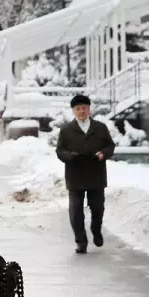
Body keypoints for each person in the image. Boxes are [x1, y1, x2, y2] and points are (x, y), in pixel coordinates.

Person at [56, 93, 115, 254]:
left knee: (97, 208)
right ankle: (81, 241)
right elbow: (60, 150)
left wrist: (104, 153)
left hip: (96, 174)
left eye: (84, 108)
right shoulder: (67, 130)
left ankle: (96, 230)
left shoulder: (100, 128)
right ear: (73, 111)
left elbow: (110, 146)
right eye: (78, 109)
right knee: (75, 211)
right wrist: (69, 156)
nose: (81, 111)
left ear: (89, 109)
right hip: (75, 175)